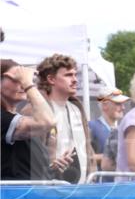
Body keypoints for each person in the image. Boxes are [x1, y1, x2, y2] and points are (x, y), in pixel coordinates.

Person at [37, 53, 95, 183]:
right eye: (68, 75)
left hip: (81, 187)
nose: (75, 80)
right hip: (50, 188)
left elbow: (86, 148)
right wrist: (50, 166)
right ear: (51, 79)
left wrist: (92, 175)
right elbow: (30, 158)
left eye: (75, 74)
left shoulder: (77, 109)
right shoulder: (38, 110)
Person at [1, 59, 57, 180]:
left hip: (33, 189)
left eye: (23, 80)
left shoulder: (16, 118)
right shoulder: (3, 118)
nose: (22, 84)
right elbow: (47, 122)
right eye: (17, 79)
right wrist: (28, 84)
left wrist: (51, 166)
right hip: (14, 191)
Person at [89, 88, 128, 157]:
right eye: (118, 103)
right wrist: (113, 157)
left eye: (123, 104)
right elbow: (85, 157)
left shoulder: (121, 129)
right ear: (105, 105)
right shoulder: (92, 126)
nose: (123, 107)